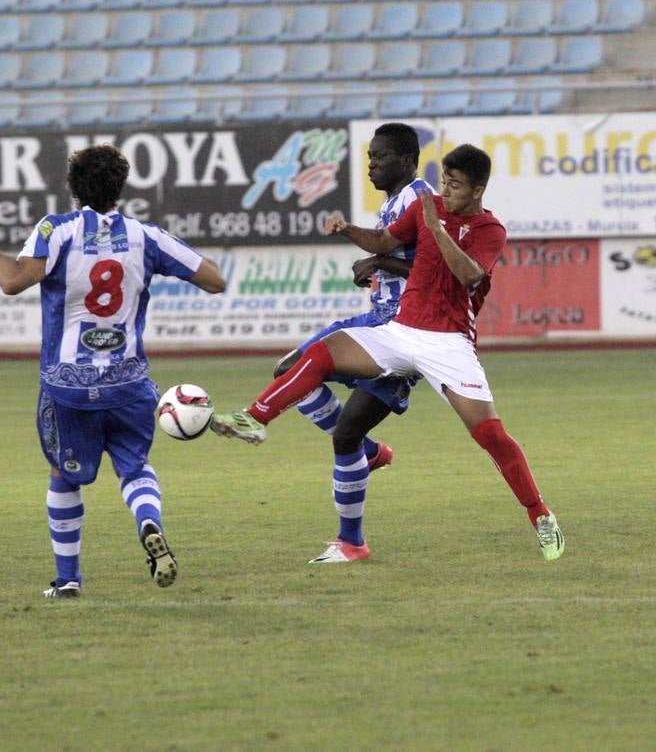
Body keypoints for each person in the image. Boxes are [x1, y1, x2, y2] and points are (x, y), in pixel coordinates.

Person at [211, 144, 565, 563]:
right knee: (323, 353)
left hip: (449, 343)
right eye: (445, 181)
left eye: (456, 185)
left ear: (478, 191)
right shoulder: (426, 207)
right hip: (401, 331)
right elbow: (384, 240)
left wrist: (437, 230)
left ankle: (540, 515)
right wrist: (346, 229)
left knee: (490, 435)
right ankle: (254, 417)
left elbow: (470, 275)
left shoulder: (491, 230)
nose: (446, 190)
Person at [0, 144, 226, 599]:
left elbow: (11, 280)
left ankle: (68, 579)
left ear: (72, 188)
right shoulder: (145, 236)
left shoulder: (56, 230)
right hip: (130, 384)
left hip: (67, 388)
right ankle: (148, 521)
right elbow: (215, 280)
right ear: (121, 186)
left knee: (64, 475)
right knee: (134, 468)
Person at [268, 122, 432, 564]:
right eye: (369, 157)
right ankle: (369, 455)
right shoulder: (395, 204)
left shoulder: (419, 199)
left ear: (406, 160)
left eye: (380, 157)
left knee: (344, 435)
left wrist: (378, 260)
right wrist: (377, 271)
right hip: (378, 320)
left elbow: (436, 276)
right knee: (291, 372)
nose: (372, 164)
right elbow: (404, 263)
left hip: (405, 333)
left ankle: (352, 543)